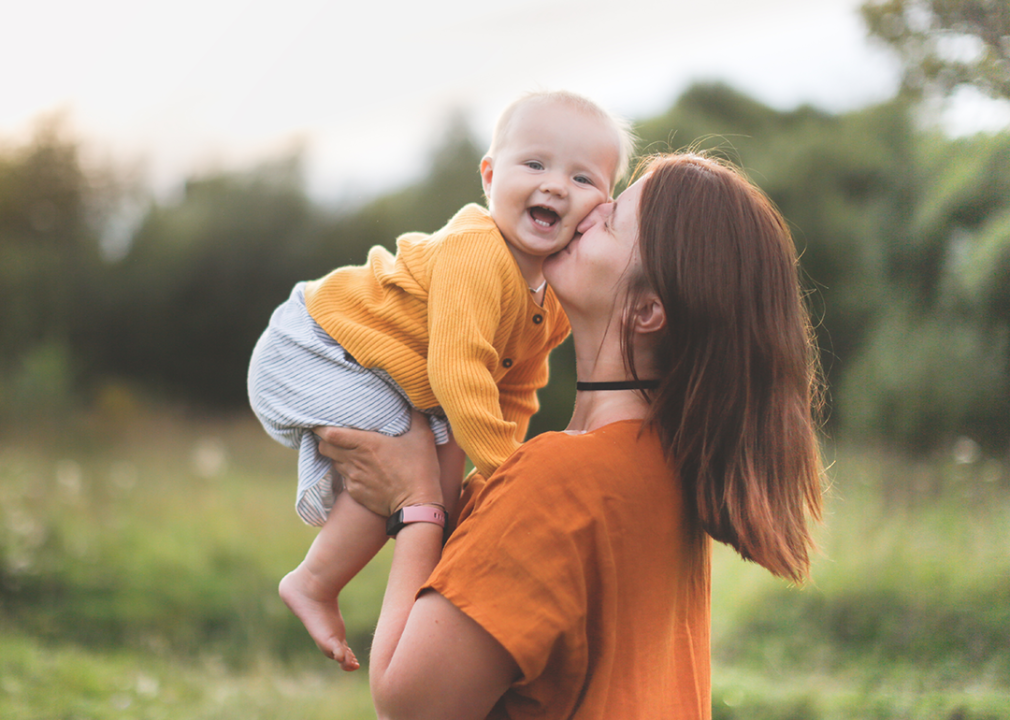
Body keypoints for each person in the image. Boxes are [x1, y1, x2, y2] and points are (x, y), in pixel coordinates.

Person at [316, 152, 825, 718]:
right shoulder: (663, 464)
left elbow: (411, 706)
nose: (585, 210)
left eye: (610, 221)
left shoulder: (560, 481)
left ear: (647, 309)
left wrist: (416, 506)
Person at [247, 90, 636, 669]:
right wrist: (512, 476)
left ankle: (437, 542)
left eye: (581, 178)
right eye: (534, 164)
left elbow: (514, 394)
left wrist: (496, 474)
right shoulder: (475, 252)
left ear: (602, 207)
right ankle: (314, 580)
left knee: (440, 471)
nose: (554, 185)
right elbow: (459, 375)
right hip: (320, 344)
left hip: (380, 370)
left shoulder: (550, 302)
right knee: (412, 469)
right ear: (488, 175)